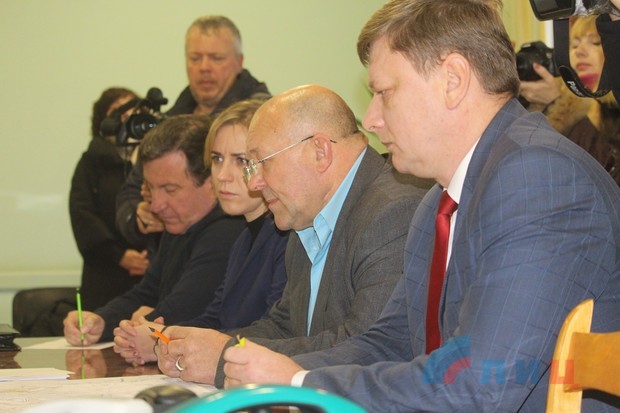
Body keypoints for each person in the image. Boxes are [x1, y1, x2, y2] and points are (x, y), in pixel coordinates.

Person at [221, 1, 620, 411]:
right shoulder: (439, 202)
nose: (370, 120)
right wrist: (280, 374)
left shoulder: (537, 178)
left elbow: (482, 385)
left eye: (383, 93)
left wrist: (299, 384)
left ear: (453, 80)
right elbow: (390, 342)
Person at [154, 85, 427, 387]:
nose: (254, 183)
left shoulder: (393, 212)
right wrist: (198, 346)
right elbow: (286, 326)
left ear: (320, 152)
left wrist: (226, 357)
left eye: (261, 163)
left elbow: (370, 349)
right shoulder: (303, 218)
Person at [112, 99, 289, 365]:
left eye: (241, 160)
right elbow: (213, 318)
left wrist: (162, 341)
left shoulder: (287, 237)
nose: (222, 175)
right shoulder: (244, 237)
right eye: (217, 159)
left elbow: (275, 333)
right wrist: (161, 336)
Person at [63, 114, 246, 345]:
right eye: (150, 188)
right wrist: (100, 321)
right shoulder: (180, 224)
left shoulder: (227, 232)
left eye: (170, 189)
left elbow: (181, 310)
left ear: (211, 182)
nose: (156, 205)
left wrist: (137, 325)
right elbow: (147, 292)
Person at [116, 15, 270, 252]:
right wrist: (140, 217)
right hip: (170, 255)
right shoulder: (168, 120)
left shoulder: (262, 118)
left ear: (239, 62)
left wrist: (181, 206)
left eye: (216, 58)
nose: (204, 67)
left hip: (234, 248)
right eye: (195, 58)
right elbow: (129, 192)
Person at [70, 88, 150, 313]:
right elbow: (82, 215)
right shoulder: (91, 162)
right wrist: (119, 256)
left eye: (133, 109)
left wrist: (154, 258)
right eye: (118, 111)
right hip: (105, 274)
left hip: (150, 271)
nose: (127, 116)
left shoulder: (153, 158)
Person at [520, 16, 620, 184]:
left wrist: (557, 104)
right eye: (574, 45)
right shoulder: (556, 95)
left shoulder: (611, 112)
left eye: (595, 42)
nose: (579, 51)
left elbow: (602, 176)